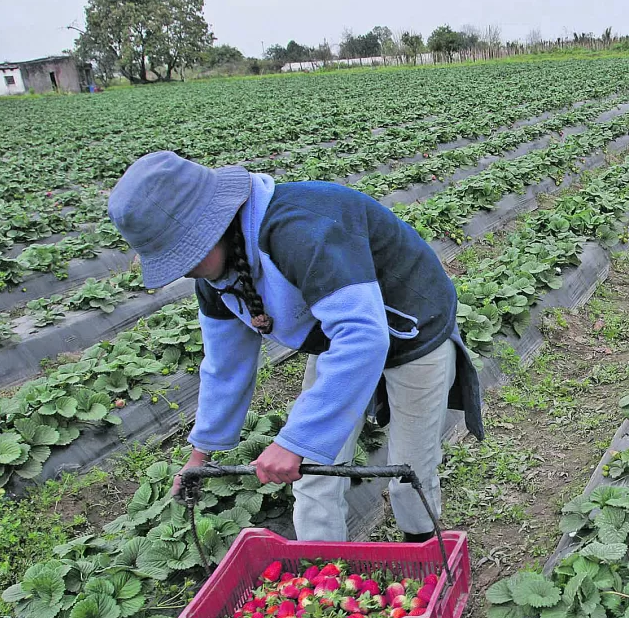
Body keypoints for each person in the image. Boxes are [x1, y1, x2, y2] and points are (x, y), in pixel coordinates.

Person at [107, 151, 484, 543]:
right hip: (338, 336)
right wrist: (200, 454)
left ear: (214, 225)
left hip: (412, 327)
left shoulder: (302, 229)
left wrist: (292, 441)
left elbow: (364, 336)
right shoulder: (217, 276)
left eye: (184, 253)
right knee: (312, 474)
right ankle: (324, 581)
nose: (183, 269)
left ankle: (423, 553)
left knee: (409, 470)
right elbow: (224, 367)